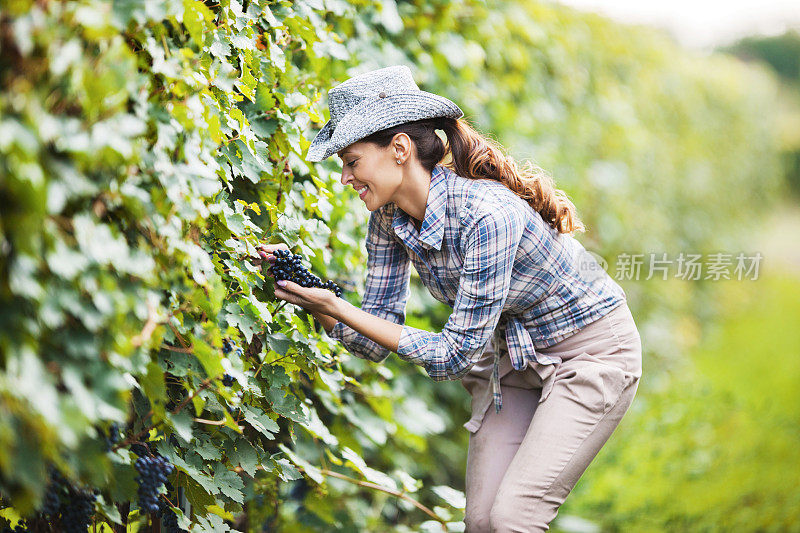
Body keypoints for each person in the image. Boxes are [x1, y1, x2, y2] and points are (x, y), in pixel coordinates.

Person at [253, 65, 642, 532]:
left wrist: (338, 308)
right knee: (480, 523)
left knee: (513, 518)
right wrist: (313, 299)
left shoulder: (487, 215)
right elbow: (374, 338)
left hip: (593, 352)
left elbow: (454, 357)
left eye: (351, 161)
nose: (344, 178)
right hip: (514, 358)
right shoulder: (389, 219)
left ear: (399, 149)